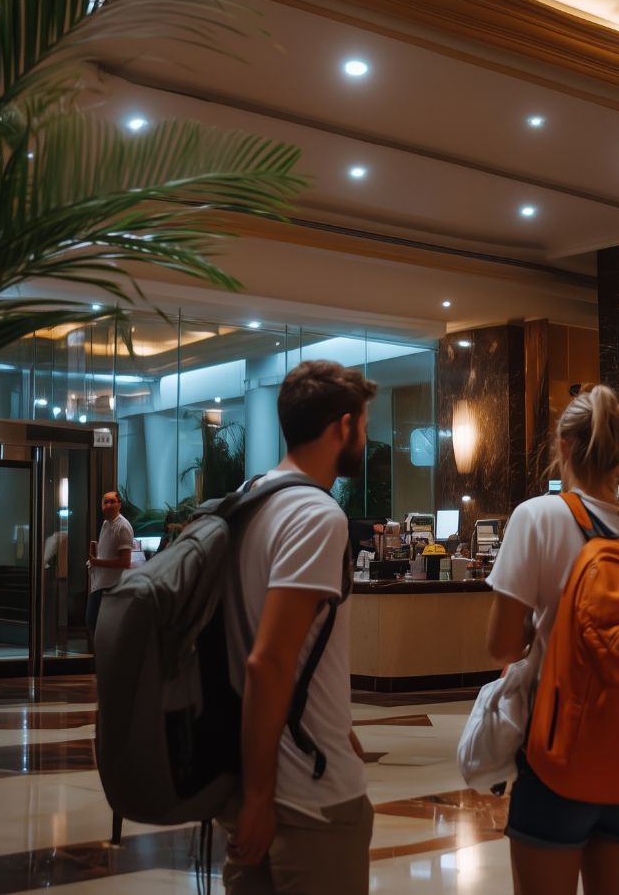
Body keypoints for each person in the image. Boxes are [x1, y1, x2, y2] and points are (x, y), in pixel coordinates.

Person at [484, 384, 619, 895]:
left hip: (559, 754)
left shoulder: (536, 517)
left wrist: (542, 625)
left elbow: (502, 646)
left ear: (562, 446)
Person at [219, 360, 376, 895]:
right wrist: (264, 796)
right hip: (308, 799)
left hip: (250, 783)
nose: (366, 436)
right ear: (343, 426)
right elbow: (269, 659)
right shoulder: (316, 516)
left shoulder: (251, 497)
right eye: (364, 423)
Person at [85, 490, 134, 641]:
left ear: (120, 504)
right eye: (105, 501)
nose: (108, 505)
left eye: (112, 501)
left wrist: (97, 562)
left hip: (111, 586)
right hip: (100, 583)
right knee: (94, 625)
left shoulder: (123, 527)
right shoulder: (106, 524)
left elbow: (125, 562)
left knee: (98, 625)